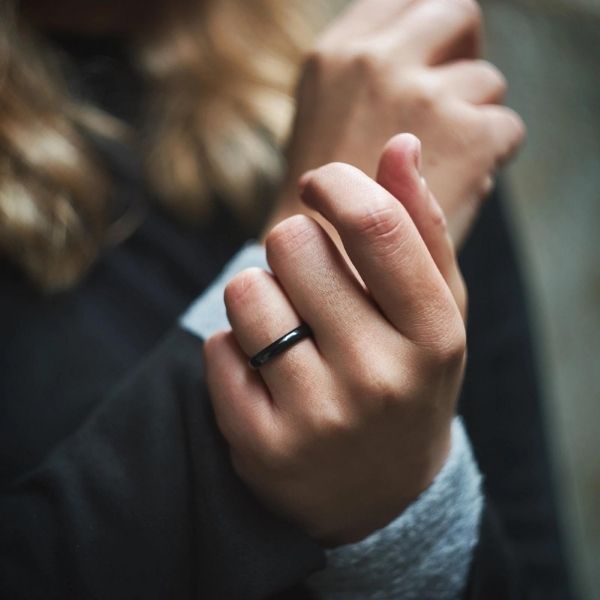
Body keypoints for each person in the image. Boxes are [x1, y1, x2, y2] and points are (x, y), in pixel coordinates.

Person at [0, 0, 573, 598]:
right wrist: (305, 248)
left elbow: (533, 556)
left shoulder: (391, 110)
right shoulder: (369, 141)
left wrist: (412, 527)